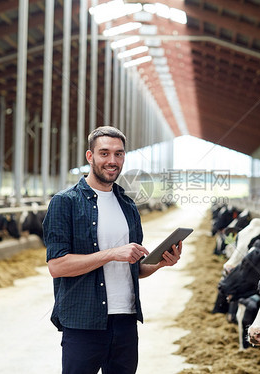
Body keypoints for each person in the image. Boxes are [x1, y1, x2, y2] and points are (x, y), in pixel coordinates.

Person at [43, 126, 182, 374]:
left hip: (125, 321)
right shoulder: (65, 202)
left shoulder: (128, 205)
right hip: (83, 322)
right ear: (90, 156)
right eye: (104, 153)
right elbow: (57, 266)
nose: (112, 161)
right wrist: (111, 253)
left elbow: (134, 269)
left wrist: (161, 262)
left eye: (119, 154)